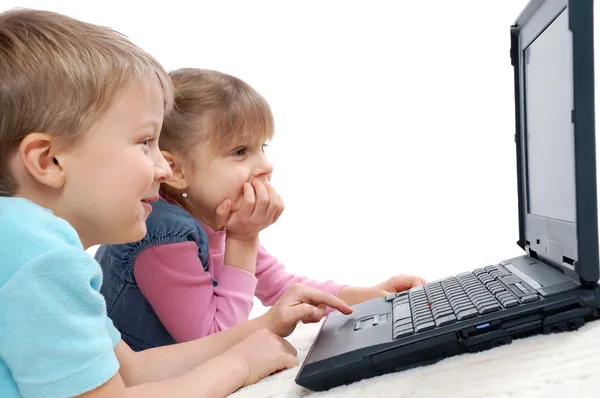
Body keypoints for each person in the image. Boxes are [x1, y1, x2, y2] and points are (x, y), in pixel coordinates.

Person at [0, 9, 352, 398]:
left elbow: (130, 370)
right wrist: (238, 365)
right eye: (145, 142)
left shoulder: (30, 244)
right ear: (48, 161)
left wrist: (262, 327)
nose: (163, 167)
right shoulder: (41, 260)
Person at [96, 68, 426, 349]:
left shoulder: (220, 218)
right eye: (240, 151)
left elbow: (279, 285)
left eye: (262, 147)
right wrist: (243, 239)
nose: (265, 165)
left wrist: (369, 295)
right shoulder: (162, 235)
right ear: (178, 172)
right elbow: (216, 340)